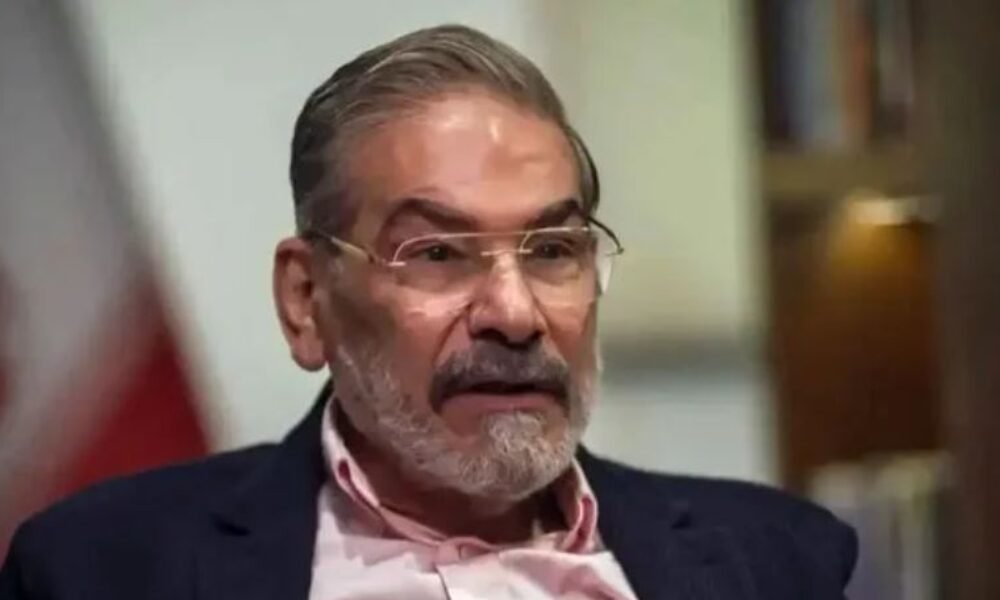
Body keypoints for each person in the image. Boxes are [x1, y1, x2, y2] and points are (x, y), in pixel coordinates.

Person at [0, 24, 855, 600]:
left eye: (553, 250)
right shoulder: (102, 570)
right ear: (306, 299)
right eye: (438, 253)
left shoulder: (781, 561)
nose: (515, 314)